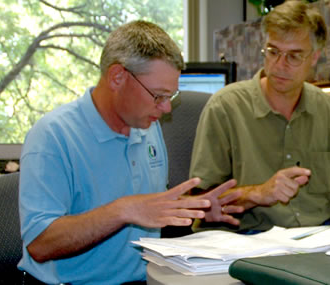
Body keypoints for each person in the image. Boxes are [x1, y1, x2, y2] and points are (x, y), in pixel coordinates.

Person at [18, 20, 243, 285]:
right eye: (158, 96)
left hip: (143, 279)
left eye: (171, 97)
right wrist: (121, 210)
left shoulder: (145, 127)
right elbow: (40, 244)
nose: (166, 109)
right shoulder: (53, 135)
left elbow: (147, 216)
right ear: (117, 77)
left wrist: (196, 210)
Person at [189, 0, 330, 234]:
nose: (280, 64)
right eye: (273, 51)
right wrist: (258, 193)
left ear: (314, 57)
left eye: (294, 56)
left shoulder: (325, 107)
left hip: (318, 239)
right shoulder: (226, 107)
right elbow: (201, 203)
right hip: (250, 241)